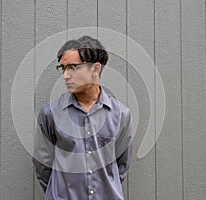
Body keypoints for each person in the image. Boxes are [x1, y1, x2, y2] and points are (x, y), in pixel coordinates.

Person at [33, 35, 133, 200]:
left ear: (95, 69)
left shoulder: (121, 114)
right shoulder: (50, 113)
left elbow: (121, 166)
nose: (65, 75)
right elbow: (43, 165)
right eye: (63, 68)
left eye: (73, 67)